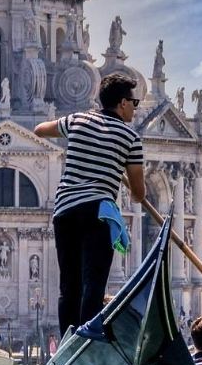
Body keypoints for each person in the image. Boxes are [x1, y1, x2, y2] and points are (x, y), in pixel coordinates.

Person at [34, 73, 146, 337]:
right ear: (122, 103)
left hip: (65, 211)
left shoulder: (78, 120)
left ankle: (67, 340)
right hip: (97, 211)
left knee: (69, 285)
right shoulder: (130, 139)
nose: (136, 107)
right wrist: (118, 168)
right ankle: (88, 340)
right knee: (93, 283)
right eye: (134, 102)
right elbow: (139, 194)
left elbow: (40, 130)